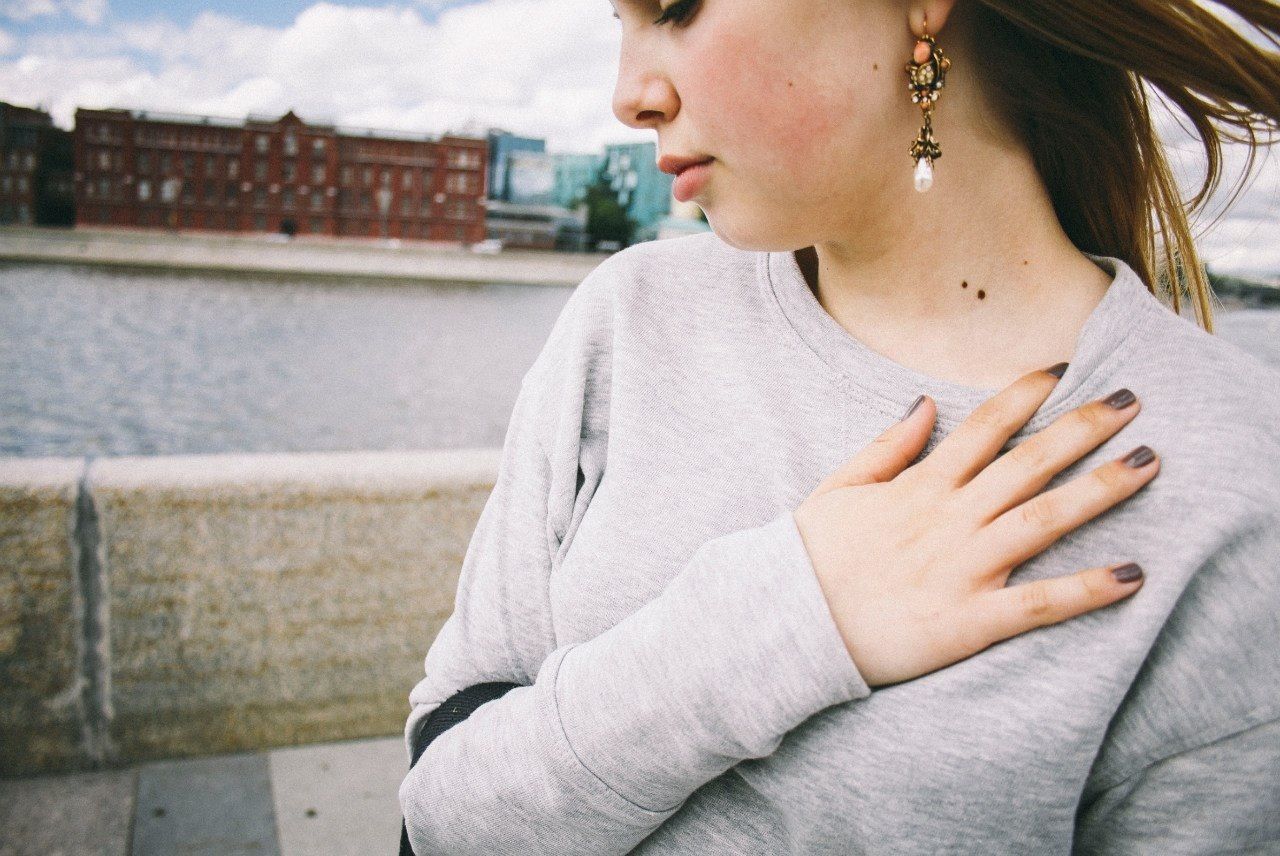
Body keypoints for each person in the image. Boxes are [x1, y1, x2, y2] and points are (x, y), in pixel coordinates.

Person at [399, 0, 1280, 852]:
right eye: (617, 25)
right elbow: (440, 813)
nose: (628, 94)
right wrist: (791, 614)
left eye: (675, 7)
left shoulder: (1232, 480)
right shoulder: (631, 320)